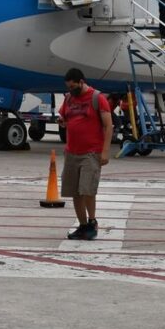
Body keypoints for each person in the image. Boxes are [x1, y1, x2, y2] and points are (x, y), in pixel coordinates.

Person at [58, 68, 113, 240]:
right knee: (75, 191)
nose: (70, 90)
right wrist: (62, 122)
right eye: (68, 87)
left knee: (87, 189)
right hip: (72, 152)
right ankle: (82, 225)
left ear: (81, 82)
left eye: (73, 86)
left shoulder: (97, 98)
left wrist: (104, 151)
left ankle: (92, 222)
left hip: (91, 153)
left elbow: (108, 126)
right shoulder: (69, 98)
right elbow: (65, 118)